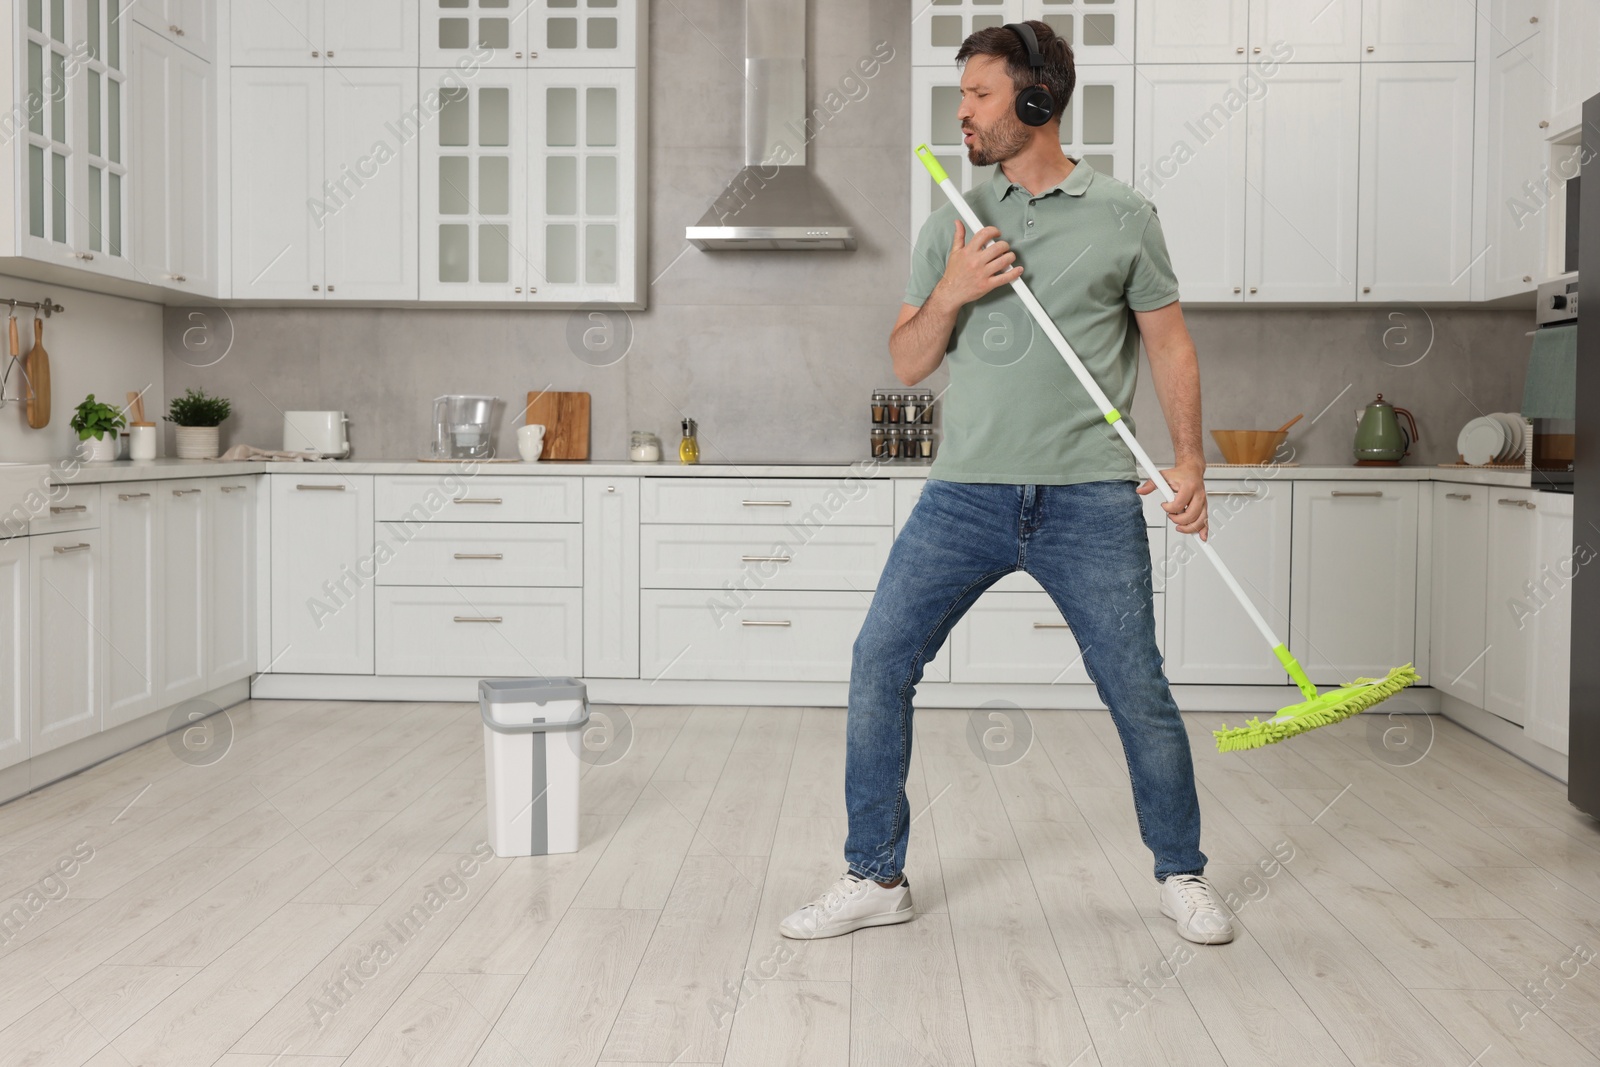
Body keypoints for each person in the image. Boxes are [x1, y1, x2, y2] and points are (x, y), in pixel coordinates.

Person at [778, 21, 1233, 947]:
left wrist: (1189, 461)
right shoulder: (953, 215)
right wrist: (950, 289)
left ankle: (1181, 873)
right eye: (963, 98)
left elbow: (1169, 342)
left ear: (1037, 101)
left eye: (979, 96)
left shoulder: (1123, 214)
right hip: (965, 495)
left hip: (1092, 497)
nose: (963, 115)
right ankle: (875, 873)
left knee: (1134, 686)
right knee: (879, 661)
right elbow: (908, 362)